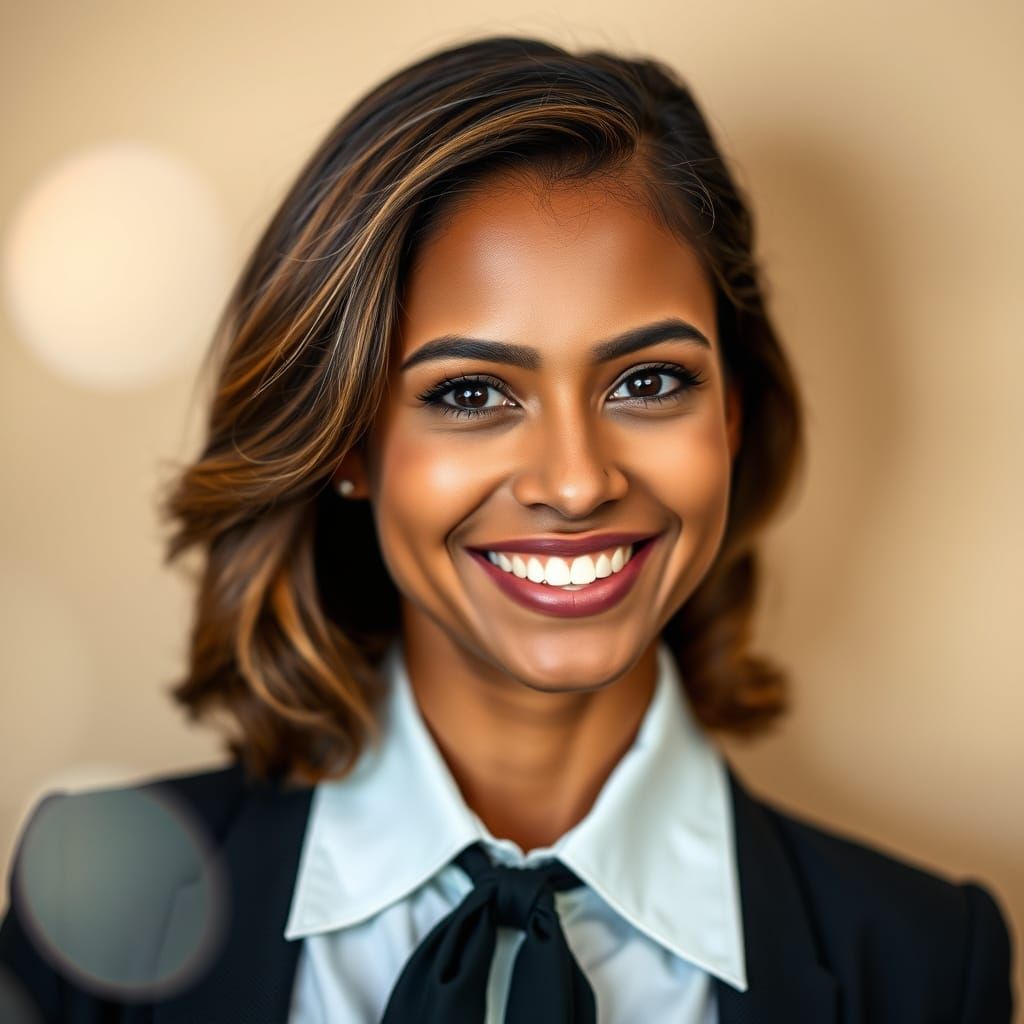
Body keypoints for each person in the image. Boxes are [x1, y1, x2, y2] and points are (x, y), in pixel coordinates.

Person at [0, 34, 1014, 1024]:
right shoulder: (98, 898)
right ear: (347, 442)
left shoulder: (929, 959)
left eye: (648, 381)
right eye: (474, 391)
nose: (575, 483)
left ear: (733, 413)